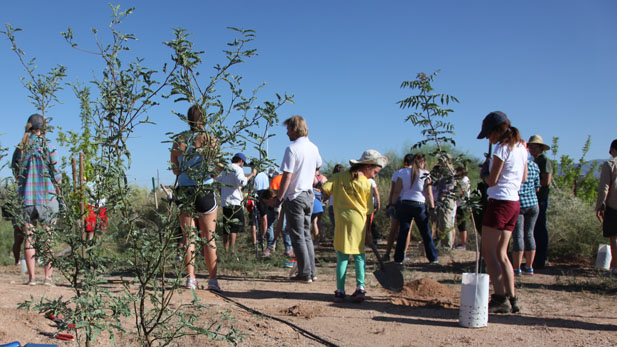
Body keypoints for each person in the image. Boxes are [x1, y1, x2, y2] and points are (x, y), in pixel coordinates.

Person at [477, 111, 527, 314]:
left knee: (488, 252)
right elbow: (523, 178)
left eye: (489, 134)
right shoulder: (521, 148)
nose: (489, 138)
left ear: (497, 131)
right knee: (501, 253)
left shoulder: (501, 148)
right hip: (514, 203)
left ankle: (499, 299)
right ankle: (512, 297)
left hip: (499, 202)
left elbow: (492, 180)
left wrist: (485, 170)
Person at [321, 149, 388, 303]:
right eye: (375, 172)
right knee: (359, 256)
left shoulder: (338, 177)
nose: (374, 175)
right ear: (367, 167)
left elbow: (325, 190)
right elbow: (369, 211)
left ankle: (340, 291)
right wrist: (369, 232)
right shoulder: (366, 184)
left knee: (342, 256)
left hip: (342, 221)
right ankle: (360, 288)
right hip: (359, 222)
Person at [170, 105, 220, 291]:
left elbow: (175, 169)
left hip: (185, 190)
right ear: (204, 119)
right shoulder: (210, 140)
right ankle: (213, 280)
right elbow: (218, 166)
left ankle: (191, 278)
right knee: (209, 238)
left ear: (188, 119)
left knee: (188, 238)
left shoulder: (179, 140)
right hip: (205, 189)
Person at [12, 114, 61, 286]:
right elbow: (57, 176)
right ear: (43, 127)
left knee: (29, 238)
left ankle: (32, 278)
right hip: (47, 198)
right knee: (48, 239)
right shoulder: (49, 146)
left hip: (26, 198)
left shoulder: (21, 148)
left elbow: (16, 173)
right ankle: (47, 278)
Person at [275, 115, 323, 283]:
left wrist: (279, 197)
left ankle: (304, 273)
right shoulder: (313, 147)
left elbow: (287, 176)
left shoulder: (292, 149)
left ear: (295, 129)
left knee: (297, 236)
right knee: (306, 234)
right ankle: (311, 272)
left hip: (295, 195)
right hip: (309, 195)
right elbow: (319, 164)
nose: (287, 133)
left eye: (288, 129)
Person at [391, 153, 438, 264]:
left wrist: (392, 205)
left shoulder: (402, 173)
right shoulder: (426, 174)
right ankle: (433, 258)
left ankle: (398, 259)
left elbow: (396, 191)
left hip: (405, 204)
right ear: (422, 162)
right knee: (426, 233)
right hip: (419, 205)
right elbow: (429, 194)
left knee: (403, 232)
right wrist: (432, 208)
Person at [218, 153, 257, 253]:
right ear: (240, 161)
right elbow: (242, 182)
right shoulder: (238, 169)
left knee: (226, 227)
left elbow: (218, 183)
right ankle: (232, 250)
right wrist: (251, 175)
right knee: (234, 228)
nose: (243, 165)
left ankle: (225, 250)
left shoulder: (225, 169)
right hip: (235, 201)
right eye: (243, 162)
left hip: (225, 202)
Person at [512, 152, 540, 276]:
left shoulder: (516, 166)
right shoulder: (534, 166)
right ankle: (529, 266)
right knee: (529, 234)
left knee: (518, 236)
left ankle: (517, 268)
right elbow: (537, 187)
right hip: (533, 203)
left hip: (519, 203)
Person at [528, 134, 552, 269]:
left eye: (534, 146)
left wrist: (533, 185)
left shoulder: (544, 161)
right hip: (533, 199)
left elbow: (546, 181)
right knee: (532, 230)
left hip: (540, 199)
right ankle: (534, 258)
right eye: (530, 146)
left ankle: (540, 259)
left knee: (540, 229)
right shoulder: (534, 161)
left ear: (540, 147)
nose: (531, 149)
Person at [384, 154, 414, 261]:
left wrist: (390, 203)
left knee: (393, 229)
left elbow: (393, 190)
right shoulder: (416, 173)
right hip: (409, 203)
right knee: (407, 229)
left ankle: (387, 253)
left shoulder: (398, 173)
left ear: (405, 162)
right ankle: (403, 253)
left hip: (397, 202)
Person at [596, 139, 617, 275]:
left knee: (614, 237)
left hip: (613, 205)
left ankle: (615, 267)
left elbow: (604, 187)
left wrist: (599, 206)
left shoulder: (610, 164)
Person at [454, 166, 471, 249]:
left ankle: (463, 244)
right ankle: (462, 243)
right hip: (460, 204)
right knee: (460, 224)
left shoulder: (463, 180)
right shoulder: (464, 179)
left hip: (462, 204)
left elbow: (463, 192)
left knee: (462, 224)